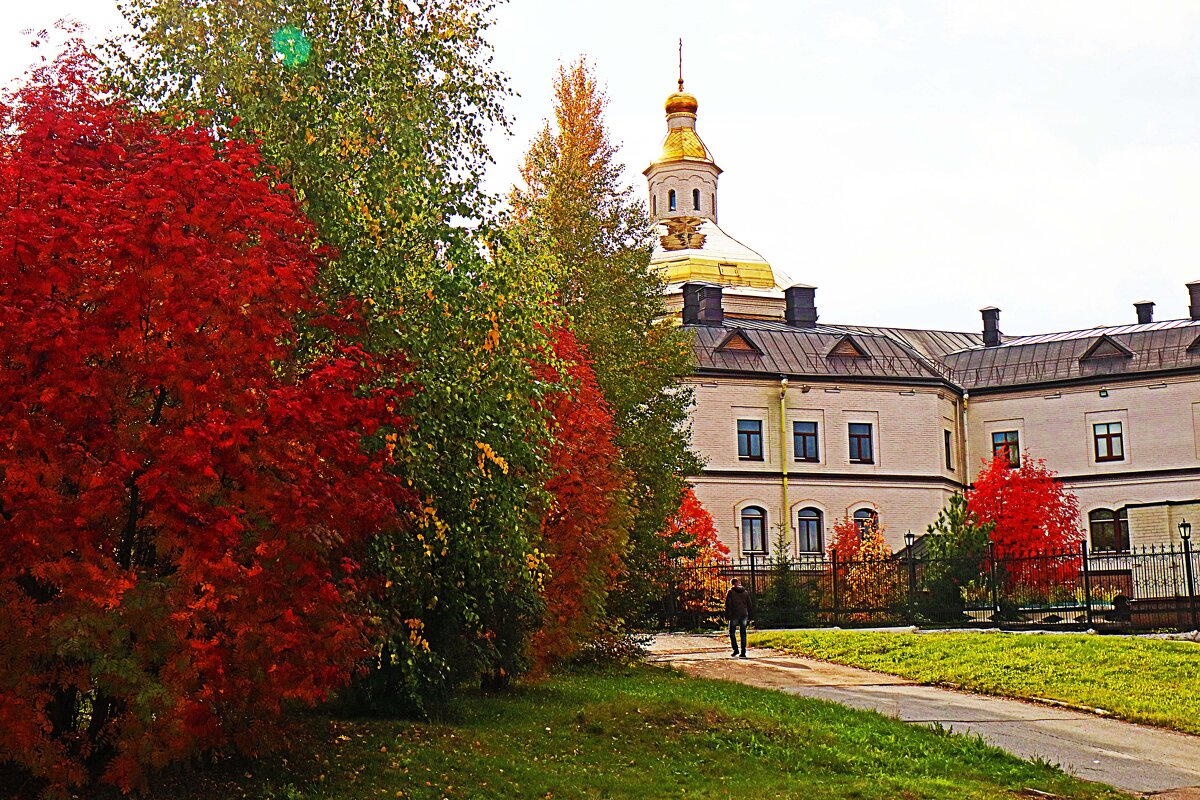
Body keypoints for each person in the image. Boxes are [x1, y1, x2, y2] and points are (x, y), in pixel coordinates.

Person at [725, 578, 752, 658]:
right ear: (738, 583)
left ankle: (736, 649)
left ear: (732, 584)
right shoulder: (745, 592)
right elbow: (749, 604)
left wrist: (728, 615)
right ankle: (743, 652)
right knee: (743, 632)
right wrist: (750, 615)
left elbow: (728, 605)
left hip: (734, 614)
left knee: (732, 632)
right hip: (744, 614)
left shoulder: (730, 592)